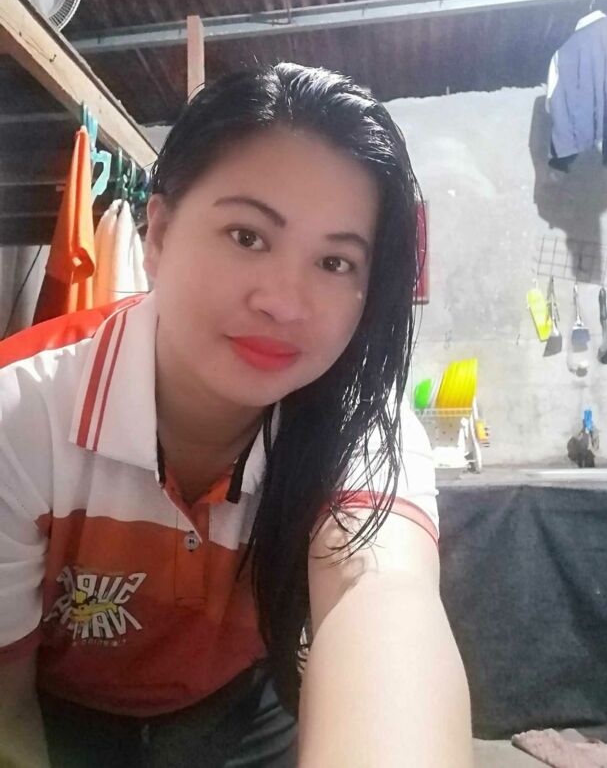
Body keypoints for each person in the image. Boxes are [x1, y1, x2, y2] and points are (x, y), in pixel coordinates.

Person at [0, 63, 472, 767]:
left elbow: (383, 598)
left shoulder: (358, 417)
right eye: (248, 236)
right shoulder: (22, 411)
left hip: (245, 712)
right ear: (158, 233)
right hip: (64, 713)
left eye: (336, 263)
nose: (283, 302)